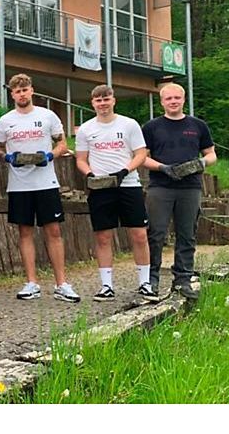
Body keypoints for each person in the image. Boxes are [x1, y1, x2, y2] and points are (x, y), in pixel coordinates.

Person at [0, 74, 80, 302]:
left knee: (53, 231)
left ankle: (62, 283)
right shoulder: (5, 121)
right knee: (25, 232)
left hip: (46, 182)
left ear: (31, 90)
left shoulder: (47, 115)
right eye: (17, 91)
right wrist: (7, 157)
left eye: (25, 89)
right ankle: (32, 282)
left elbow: (62, 144)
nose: (22, 94)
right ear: (12, 94)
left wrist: (49, 155)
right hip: (19, 184)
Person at [75, 85, 158, 302]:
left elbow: (140, 154)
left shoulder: (129, 124)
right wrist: (90, 174)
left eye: (106, 99)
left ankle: (145, 283)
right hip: (101, 187)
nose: (102, 104)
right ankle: (106, 285)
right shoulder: (85, 129)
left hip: (129, 184)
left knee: (139, 235)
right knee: (103, 236)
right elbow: (81, 159)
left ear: (113, 100)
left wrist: (125, 171)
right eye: (98, 100)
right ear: (92, 103)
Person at [142, 83, 217, 299]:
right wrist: (162, 168)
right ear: (162, 101)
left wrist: (201, 163)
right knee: (155, 233)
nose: (173, 101)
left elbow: (211, 154)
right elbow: (142, 157)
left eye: (177, 98)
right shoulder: (151, 127)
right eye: (169, 98)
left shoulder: (198, 125)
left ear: (184, 99)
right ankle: (151, 279)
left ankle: (183, 278)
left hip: (190, 187)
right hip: (160, 186)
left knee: (187, 233)